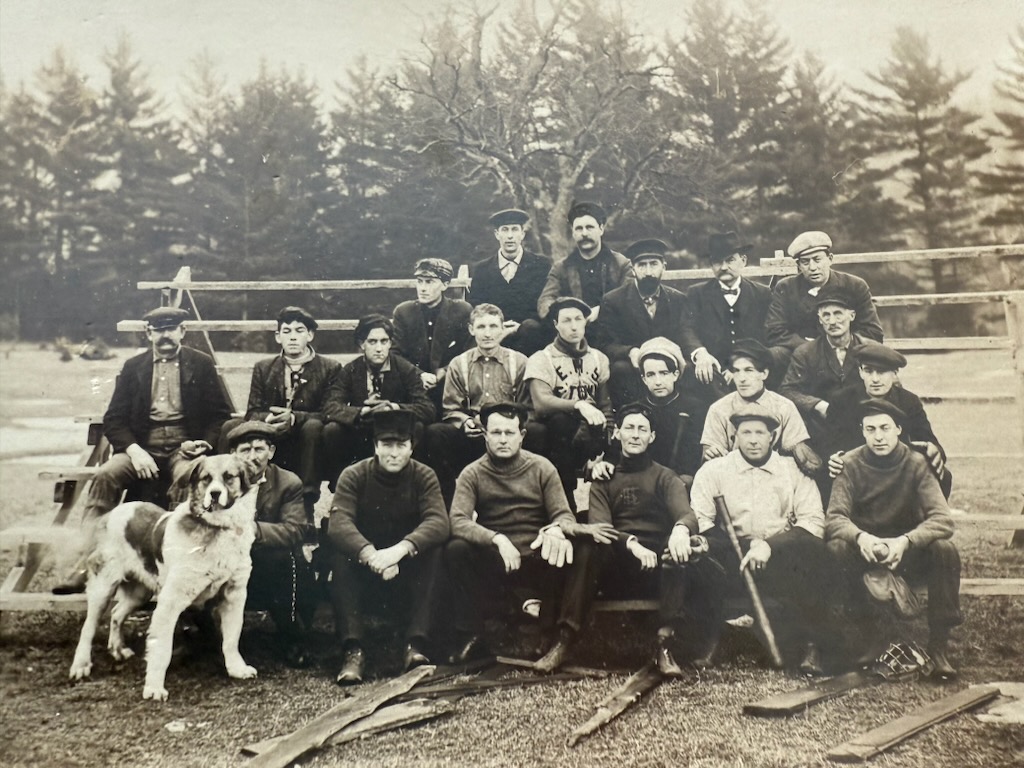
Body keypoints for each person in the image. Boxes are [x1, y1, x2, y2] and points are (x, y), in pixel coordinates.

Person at [54, 307, 232, 594]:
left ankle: (179, 568)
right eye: (158, 330)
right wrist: (134, 450)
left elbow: (220, 415)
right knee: (106, 475)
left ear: (182, 332)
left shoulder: (200, 364)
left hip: (184, 448)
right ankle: (85, 564)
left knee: (190, 479)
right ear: (149, 333)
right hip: (142, 446)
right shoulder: (134, 366)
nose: (165, 336)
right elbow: (114, 418)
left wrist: (204, 443)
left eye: (171, 329)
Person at [562, 404, 725, 676]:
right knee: (589, 547)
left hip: (659, 569)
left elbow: (686, 514)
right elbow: (601, 527)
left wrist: (681, 531)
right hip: (617, 569)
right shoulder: (605, 478)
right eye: (629, 428)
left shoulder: (665, 476)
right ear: (617, 434)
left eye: (642, 429)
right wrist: (632, 544)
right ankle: (565, 640)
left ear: (652, 437)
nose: (635, 435)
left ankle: (665, 645)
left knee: (677, 553)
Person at [444, 402, 598, 667]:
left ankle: (547, 634)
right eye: (496, 433)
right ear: (485, 435)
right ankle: (473, 636)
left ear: (522, 436)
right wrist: (497, 538)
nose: (503, 439)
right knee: (456, 549)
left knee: (566, 549)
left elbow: (563, 514)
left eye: (509, 433)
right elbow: (457, 520)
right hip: (499, 558)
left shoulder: (542, 468)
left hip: (538, 555)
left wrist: (555, 530)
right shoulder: (472, 473)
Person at [689, 404, 831, 675]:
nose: (753, 440)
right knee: (701, 562)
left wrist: (768, 545)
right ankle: (713, 640)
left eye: (760, 432)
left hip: (780, 556)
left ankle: (812, 645)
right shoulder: (714, 471)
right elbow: (703, 520)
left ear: (772, 437)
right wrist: (746, 547)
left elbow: (812, 523)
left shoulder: (792, 470)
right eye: (745, 432)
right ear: (735, 436)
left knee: (814, 553)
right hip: (732, 556)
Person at [825, 399, 961, 679]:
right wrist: (861, 538)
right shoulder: (849, 463)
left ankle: (938, 648)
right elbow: (835, 518)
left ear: (898, 429)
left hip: (907, 552)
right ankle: (867, 635)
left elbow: (943, 519)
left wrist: (906, 541)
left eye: (885, 428)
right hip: (865, 550)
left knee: (944, 549)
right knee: (837, 547)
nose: (878, 436)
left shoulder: (916, 463)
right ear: (862, 431)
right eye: (870, 429)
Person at [325, 409, 450, 684]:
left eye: (401, 446)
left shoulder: (424, 476)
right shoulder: (354, 475)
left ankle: (415, 644)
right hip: (365, 570)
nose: (394, 453)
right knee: (338, 554)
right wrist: (370, 555)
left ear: (411, 446)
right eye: (386, 445)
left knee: (437, 551)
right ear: (375, 447)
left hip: (406, 570)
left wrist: (400, 550)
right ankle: (353, 649)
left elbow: (439, 521)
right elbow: (339, 522)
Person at [222, 306, 341, 518]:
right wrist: (269, 420)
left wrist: (295, 418)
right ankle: (226, 493)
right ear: (278, 337)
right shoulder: (264, 367)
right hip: (270, 432)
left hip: (308, 439)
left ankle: (305, 507)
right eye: (286, 331)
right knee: (231, 427)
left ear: (310, 335)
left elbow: (330, 411)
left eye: (299, 331)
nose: (293, 337)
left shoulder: (330, 367)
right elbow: (253, 411)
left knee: (314, 426)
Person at [422, 303, 538, 504]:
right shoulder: (459, 364)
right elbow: (451, 408)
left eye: (493, 326)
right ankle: (446, 504)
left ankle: (531, 500)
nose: (487, 333)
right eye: (481, 327)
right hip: (473, 434)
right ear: (471, 329)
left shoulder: (519, 362)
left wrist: (508, 426)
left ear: (502, 329)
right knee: (436, 433)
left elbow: (528, 407)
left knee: (538, 431)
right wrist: (465, 422)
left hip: (507, 433)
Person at [225, 421, 316, 668]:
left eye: (259, 449)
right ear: (234, 454)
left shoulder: (288, 483)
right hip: (226, 559)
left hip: (267, 563)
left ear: (272, 452)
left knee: (283, 560)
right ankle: (207, 639)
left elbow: (294, 530)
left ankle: (291, 636)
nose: (252, 457)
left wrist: (251, 529)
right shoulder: (221, 479)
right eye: (245, 450)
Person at [825, 341, 952, 498]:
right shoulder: (842, 400)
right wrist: (833, 457)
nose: (875, 379)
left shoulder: (909, 401)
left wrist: (934, 449)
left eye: (882, 371)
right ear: (860, 372)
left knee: (943, 475)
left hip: (896, 471)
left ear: (894, 373)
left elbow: (930, 442)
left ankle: (930, 519)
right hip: (857, 470)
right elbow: (828, 443)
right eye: (869, 371)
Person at [525, 296, 613, 507]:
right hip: (558, 433)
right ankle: (566, 501)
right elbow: (541, 403)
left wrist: (608, 436)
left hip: (589, 430)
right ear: (556, 324)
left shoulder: (599, 357)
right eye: (566, 320)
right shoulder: (542, 357)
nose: (573, 326)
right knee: (559, 421)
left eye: (578, 319)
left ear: (585, 322)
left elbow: (605, 403)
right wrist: (578, 405)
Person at [323, 314, 435, 477]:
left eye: (384, 341)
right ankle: (343, 484)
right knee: (332, 430)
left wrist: (394, 408)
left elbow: (427, 408)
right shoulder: (351, 370)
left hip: (394, 431)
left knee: (417, 427)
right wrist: (360, 412)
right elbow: (330, 406)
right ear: (362, 344)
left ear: (390, 343)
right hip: (362, 431)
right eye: (372, 342)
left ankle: (407, 481)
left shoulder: (404, 369)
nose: (379, 348)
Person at [701, 338, 821, 477]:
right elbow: (708, 457)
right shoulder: (718, 409)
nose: (741, 378)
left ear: (764, 373)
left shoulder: (784, 406)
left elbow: (800, 455)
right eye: (736, 371)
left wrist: (801, 453)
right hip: (732, 479)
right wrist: (710, 453)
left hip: (774, 479)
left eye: (749, 370)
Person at [597, 238, 694, 407]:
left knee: (693, 368)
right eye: (642, 265)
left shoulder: (677, 299)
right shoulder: (614, 300)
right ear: (633, 268)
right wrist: (630, 351)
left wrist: (698, 354)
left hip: (668, 367)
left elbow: (684, 332)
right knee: (620, 369)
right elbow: (605, 343)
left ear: (664, 266)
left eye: (654, 264)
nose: (648, 271)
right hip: (634, 367)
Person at [683, 232, 777, 399]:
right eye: (717, 262)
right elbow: (687, 328)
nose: (724, 267)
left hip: (750, 364)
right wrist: (700, 353)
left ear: (744, 261)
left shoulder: (762, 294)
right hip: (713, 367)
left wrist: (741, 368)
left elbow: (767, 335)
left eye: (730, 260)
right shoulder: (697, 293)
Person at [601, 337, 704, 480]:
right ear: (643, 379)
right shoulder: (635, 409)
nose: (658, 382)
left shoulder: (694, 408)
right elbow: (616, 450)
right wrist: (607, 463)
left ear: (676, 374)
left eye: (664, 373)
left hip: (679, 479)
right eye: (651, 375)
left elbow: (693, 453)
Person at [765, 230, 883, 353]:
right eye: (805, 262)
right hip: (801, 353)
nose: (812, 267)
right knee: (776, 355)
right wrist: (810, 348)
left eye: (817, 259)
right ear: (799, 265)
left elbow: (872, 332)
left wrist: (840, 345)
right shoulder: (786, 288)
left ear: (830, 259)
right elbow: (775, 331)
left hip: (845, 353)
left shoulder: (855, 285)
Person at [780, 295, 870, 451]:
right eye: (826, 315)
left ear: (852, 315)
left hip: (863, 423)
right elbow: (787, 390)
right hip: (822, 428)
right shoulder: (806, 352)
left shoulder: (869, 349)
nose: (833, 321)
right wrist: (817, 405)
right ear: (820, 320)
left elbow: (891, 385)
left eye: (838, 313)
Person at [467, 208, 552, 354]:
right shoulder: (482, 269)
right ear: (497, 234)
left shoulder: (541, 265)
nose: (510, 236)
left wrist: (519, 327)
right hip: (493, 332)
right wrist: (498, 326)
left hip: (529, 335)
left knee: (532, 328)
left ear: (522, 234)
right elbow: (476, 305)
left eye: (514, 230)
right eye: (505, 230)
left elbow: (545, 303)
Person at [392, 258, 473, 409]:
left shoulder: (461, 311)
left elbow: (469, 352)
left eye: (429, 282)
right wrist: (418, 375)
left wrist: (444, 371)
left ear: (445, 285)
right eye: (420, 281)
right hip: (412, 385)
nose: (422, 288)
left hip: (450, 384)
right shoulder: (404, 312)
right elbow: (395, 353)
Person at [535, 201, 632, 324]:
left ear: (601, 229)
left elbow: (630, 297)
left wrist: (602, 310)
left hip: (611, 331)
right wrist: (566, 314)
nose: (584, 233)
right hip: (573, 332)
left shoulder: (621, 264)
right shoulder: (562, 267)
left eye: (589, 227)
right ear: (573, 233)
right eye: (579, 229)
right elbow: (545, 300)